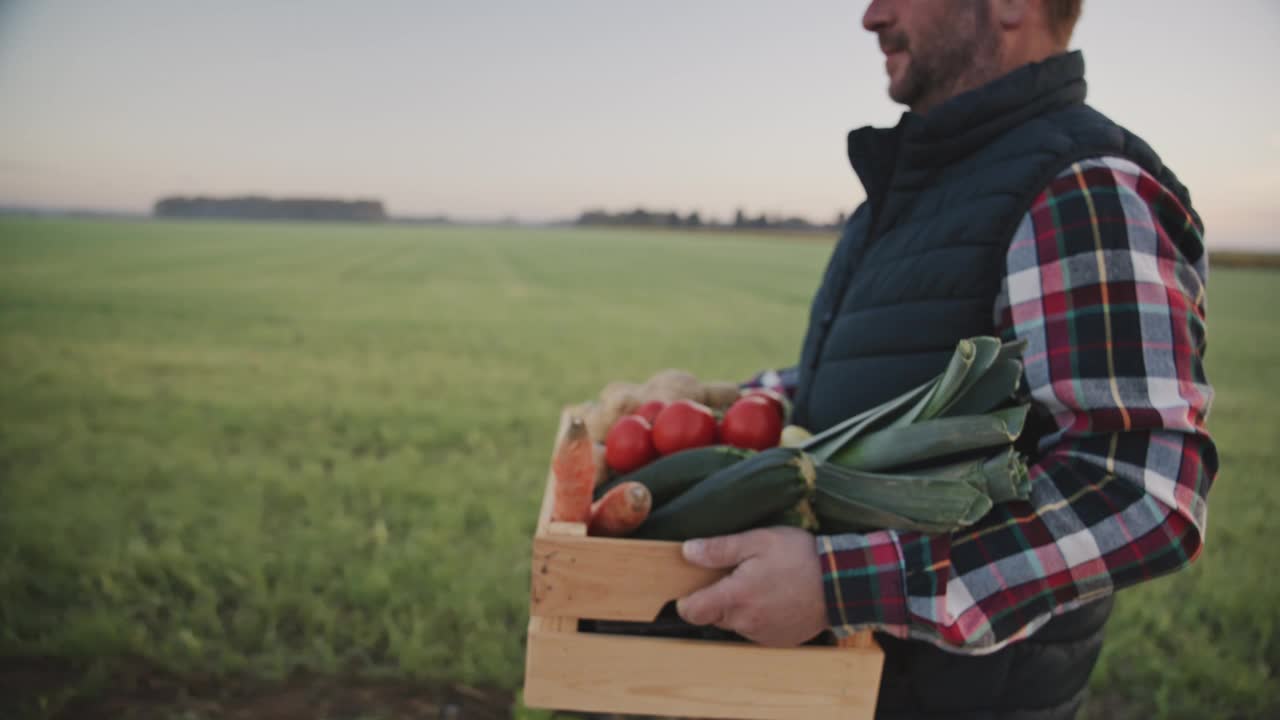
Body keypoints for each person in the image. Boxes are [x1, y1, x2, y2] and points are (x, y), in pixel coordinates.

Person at [673, 1, 1217, 718]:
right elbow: (888, 380)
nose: (871, 16)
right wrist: (737, 401)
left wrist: (842, 585)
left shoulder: (1082, 182)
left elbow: (1138, 494)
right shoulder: (915, 188)